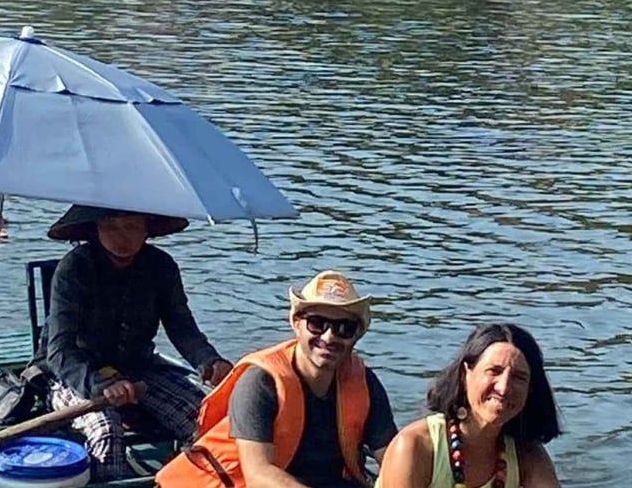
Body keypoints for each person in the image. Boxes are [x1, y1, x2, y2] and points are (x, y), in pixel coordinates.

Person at [42, 206, 233, 482]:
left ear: (147, 229)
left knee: (209, 418)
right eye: (112, 227)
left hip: (139, 369)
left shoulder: (161, 266)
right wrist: (100, 384)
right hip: (77, 375)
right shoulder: (74, 268)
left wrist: (210, 362)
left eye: (131, 226)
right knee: (106, 432)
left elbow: (181, 326)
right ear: (96, 229)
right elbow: (60, 351)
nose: (122, 237)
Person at [156, 271, 397, 488]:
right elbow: (258, 474)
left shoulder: (364, 381)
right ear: (296, 323)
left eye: (344, 328)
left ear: (357, 334)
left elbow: (392, 457)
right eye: (316, 323)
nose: (329, 337)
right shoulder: (261, 382)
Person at [377, 323, 562, 488]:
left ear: (530, 390)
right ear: (465, 374)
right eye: (494, 371)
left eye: (519, 377)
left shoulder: (528, 455)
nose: (504, 388)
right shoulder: (415, 446)